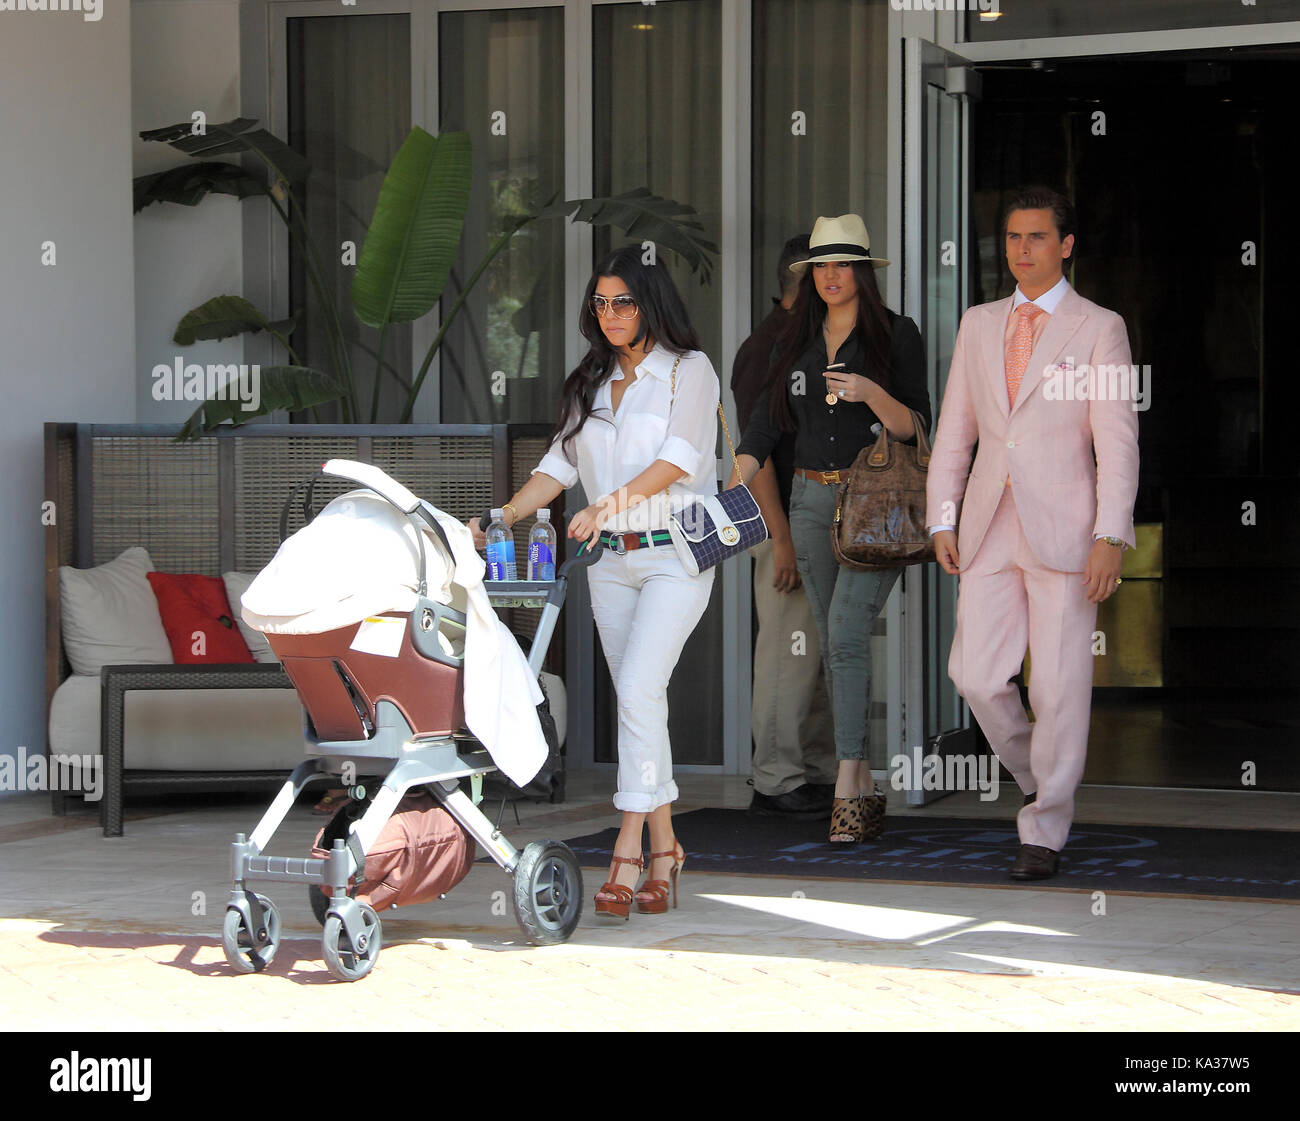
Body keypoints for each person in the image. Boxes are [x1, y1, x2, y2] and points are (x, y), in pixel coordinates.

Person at [470, 245, 719, 919]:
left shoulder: (688, 372)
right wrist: (503, 515)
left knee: (638, 688)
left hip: (675, 554)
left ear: (651, 303)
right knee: (643, 700)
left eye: (624, 302)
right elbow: (557, 465)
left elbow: (680, 459)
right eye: (601, 302)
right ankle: (668, 850)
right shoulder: (589, 381)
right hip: (610, 563)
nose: (610, 314)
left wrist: (606, 504)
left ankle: (628, 848)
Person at [925, 186, 1140, 881]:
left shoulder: (1100, 326)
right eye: (1014, 237)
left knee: (1056, 685)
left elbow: (1118, 439)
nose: (1023, 249)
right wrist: (942, 516)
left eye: (1038, 237)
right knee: (977, 675)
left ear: (1066, 244)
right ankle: (1038, 777)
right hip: (989, 523)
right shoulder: (979, 323)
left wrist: (1111, 532)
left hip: (1069, 529)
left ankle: (1044, 829)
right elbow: (957, 431)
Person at [731, 214, 930, 843]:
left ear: (864, 271)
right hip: (809, 501)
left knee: (843, 636)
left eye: (843, 264)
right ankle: (859, 779)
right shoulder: (794, 339)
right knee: (827, 638)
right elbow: (764, 424)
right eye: (821, 265)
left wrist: (871, 392)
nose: (831, 276)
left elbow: (917, 427)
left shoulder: (897, 334)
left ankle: (849, 780)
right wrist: (739, 469)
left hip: (875, 503)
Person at [732, 234, 836, 818]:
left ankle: (814, 770)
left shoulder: (807, 343)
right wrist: (783, 537)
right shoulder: (767, 348)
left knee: (813, 650)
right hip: (780, 519)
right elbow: (758, 453)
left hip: (812, 517)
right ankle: (775, 777)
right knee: (786, 652)